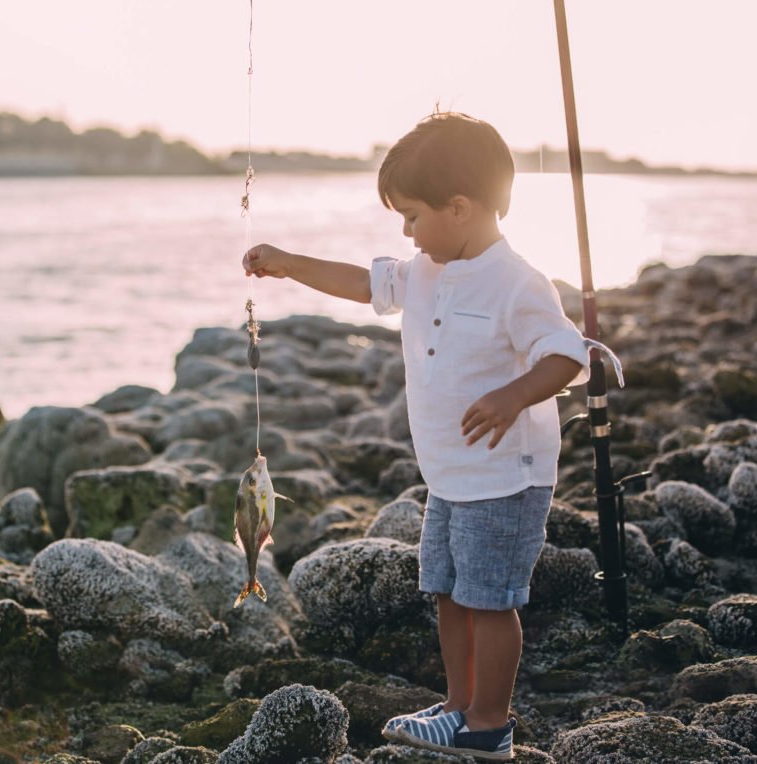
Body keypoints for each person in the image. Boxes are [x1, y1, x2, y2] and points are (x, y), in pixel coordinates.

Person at [241, 111, 591, 761]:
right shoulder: (425, 269)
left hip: (505, 477)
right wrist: (287, 264)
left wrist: (513, 395)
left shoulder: (518, 281)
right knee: (449, 592)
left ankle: (489, 726)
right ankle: (455, 706)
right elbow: (359, 281)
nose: (404, 230)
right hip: (449, 476)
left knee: (490, 602)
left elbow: (566, 353)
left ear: (458, 208)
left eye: (410, 215)